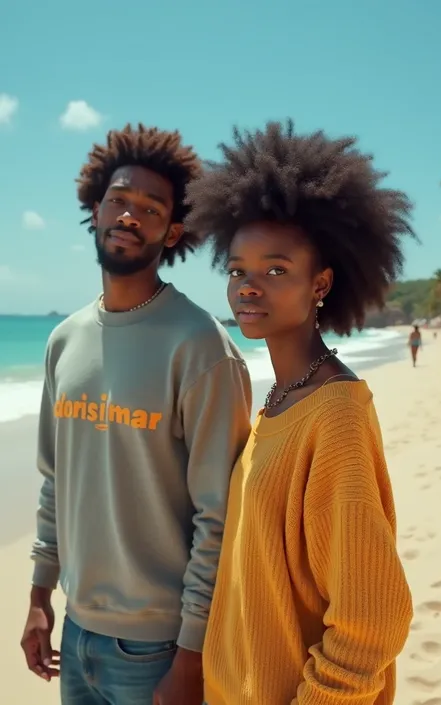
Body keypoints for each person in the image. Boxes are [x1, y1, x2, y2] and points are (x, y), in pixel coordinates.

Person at [20, 123, 252, 705]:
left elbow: (219, 514)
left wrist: (191, 656)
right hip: (75, 632)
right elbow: (54, 482)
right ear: (94, 210)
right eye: (119, 200)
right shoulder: (63, 340)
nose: (129, 215)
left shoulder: (199, 344)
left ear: (173, 231)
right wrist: (37, 596)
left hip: (158, 651)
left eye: (150, 209)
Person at [185, 120, 414, 705]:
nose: (248, 287)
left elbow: (372, 622)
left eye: (276, 269)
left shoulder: (333, 417)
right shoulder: (278, 403)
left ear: (322, 283)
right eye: (237, 270)